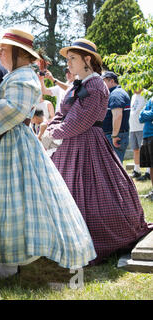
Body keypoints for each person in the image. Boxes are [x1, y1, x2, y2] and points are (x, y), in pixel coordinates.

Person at [0, 29, 96, 280]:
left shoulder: (25, 77)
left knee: (13, 201)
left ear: (19, 53)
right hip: (8, 142)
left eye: (4, 50)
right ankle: (6, 258)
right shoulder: (17, 75)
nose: (0, 53)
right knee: (2, 202)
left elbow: (14, 110)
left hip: (17, 144)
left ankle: (12, 262)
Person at [45, 39, 152, 264]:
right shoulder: (76, 84)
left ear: (88, 60)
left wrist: (52, 132)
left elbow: (77, 122)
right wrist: (53, 127)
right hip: (68, 146)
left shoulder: (95, 86)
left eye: (72, 59)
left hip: (88, 144)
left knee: (93, 191)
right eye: (67, 59)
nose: (68, 63)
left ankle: (94, 240)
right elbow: (61, 114)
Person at [101, 71, 131, 163]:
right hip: (113, 135)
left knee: (115, 169)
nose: (101, 84)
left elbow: (117, 116)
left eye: (103, 81)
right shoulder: (114, 93)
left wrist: (114, 135)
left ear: (112, 81)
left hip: (115, 136)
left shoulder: (116, 94)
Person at [130, 88, 149, 180]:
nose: (132, 88)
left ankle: (148, 172)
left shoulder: (147, 94)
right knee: (135, 149)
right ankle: (137, 170)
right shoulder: (133, 96)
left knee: (145, 150)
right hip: (133, 127)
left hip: (142, 127)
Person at [139, 98, 153, 200]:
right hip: (147, 135)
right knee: (151, 166)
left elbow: (150, 114)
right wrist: (145, 113)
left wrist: (144, 112)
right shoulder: (150, 99)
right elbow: (141, 117)